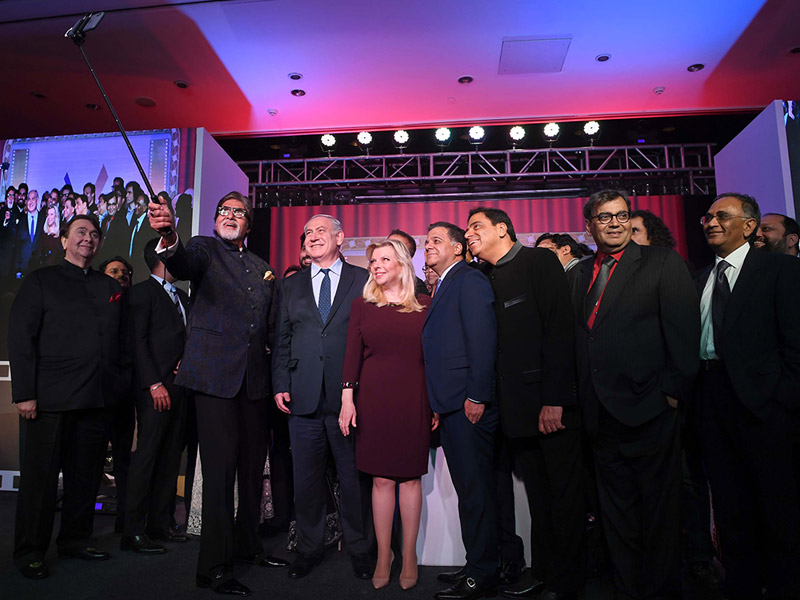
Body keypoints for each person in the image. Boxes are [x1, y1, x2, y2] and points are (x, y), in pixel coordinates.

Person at [148, 190, 281, 597]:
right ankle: (214, 568)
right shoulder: (204, 250)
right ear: (214, 219)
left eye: (239, 212)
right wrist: (169, 233)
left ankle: (247, 545)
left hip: (255, 385)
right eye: (224, 210)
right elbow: (182, 262)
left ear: (248, 225)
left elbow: (270, 331)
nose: (230, 215)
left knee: (251, 471)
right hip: (213, 382)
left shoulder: (263, 268)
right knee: (221, 476)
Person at [570, 189, 700, 600]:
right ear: (589, 226)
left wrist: (672, 395)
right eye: (605, 217)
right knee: (616, 513)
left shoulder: (661, 262)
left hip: (650, 409)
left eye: (622, 216)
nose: (615, 223)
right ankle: (628, 588)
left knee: (659, 511)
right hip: (599, 414)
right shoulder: (578, 274)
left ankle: (660, 590)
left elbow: (683, 333)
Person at [466, 208, 584, 600]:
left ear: (503, 228)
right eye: (466, 229)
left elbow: (559, 330)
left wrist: (555, 400)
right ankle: (545, 573)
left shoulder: (538, 260)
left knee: (563, 499)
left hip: (549, 407)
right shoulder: (484, 276)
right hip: (512, 413)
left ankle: (570, 584)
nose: (468, 234)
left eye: (476, 226)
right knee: (538, 499)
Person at [9, 215, 127, 579]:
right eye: (80, 233)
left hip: (95, 400)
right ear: (63, 240)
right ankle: (30, 550)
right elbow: (20, 338)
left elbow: (118, 342)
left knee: (85, 478)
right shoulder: (41, 280)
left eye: (93, 234)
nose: (87, 239)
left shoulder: (108, 285)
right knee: (40, 482)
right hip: (47, 401)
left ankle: (75, 540)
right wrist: (24, 394)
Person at [696, 193, 800, 600]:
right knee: (729, 506)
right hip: (711, 401)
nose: (710, 221)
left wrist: (783, 402)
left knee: (777, 508)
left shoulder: (779, 270)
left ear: (750, 225)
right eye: (707, 216)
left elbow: (795, 342)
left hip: (766, 408)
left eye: (723, 215)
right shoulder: (699, 277)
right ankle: (740, 585)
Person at [272, 214, 374, 581]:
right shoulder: (291, 285)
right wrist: (280, 382)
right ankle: (309, 548)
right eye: (307, 233)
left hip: (350, 398)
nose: (312, 237)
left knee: (353, 479)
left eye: (321, 231)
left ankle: (362, 549)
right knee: (307, 480)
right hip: (302, 396)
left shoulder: (362, 279)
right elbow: (282, 339)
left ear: (340, 238)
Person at [339, 238, 436, 590]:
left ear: (403, 264)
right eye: (372, 261)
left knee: (410, 479)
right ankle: (384, 554)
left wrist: (436, 402)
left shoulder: (425, 305)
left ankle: (407, 555)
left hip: (414, 398)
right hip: (373, 400)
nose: (376, 265)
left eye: (384, 259)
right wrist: (347, 399)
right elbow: (351, 356)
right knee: (380, 480)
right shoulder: (362, 306)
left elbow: (434, 359)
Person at [421, 221, 498, 600]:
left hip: (468, 406)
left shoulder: (468, 279)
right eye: (426, 241)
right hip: (449, 405)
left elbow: (482, 338)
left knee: (477, 492)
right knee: (470, 491)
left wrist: (477, 396)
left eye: (437, 240)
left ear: (458, 249)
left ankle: (483, 573)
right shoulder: (446, 283)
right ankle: (476, 563)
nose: (428, 245)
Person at [121, 238, 190, 554]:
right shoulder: (141, 293)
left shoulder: (184, 297)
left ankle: (159, 524)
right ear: (163, 257)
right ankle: (132, 531)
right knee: (147, 457)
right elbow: (138, 342)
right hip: (155, 390)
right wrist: (153, 384)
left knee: (170, 457)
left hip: (180, 389)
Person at [387, 228, 429, 295]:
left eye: (398, 247)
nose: (389, 249)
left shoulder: (416, 286)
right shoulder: (369, 279)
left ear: (408, 257)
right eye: (387, 244)